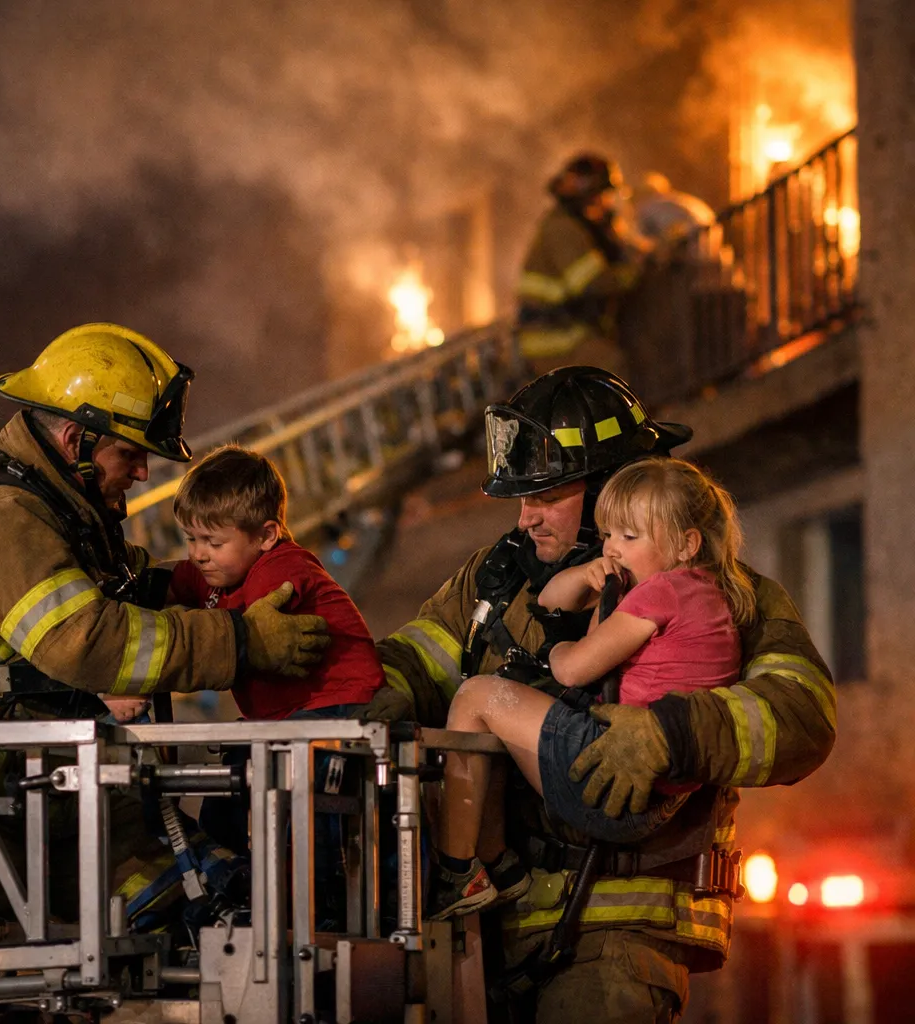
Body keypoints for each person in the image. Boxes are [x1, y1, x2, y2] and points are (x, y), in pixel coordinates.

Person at [360, 365, 835, 1023]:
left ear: (617, 489)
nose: (526, 517)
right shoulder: (496, 585)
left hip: (618, 937)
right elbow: (410, 662)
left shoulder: (719, 591)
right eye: (521, 497)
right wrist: (365, 710)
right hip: (483, 939)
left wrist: (675, 732)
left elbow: (802, 710)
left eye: (548, 494)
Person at [0, 324, 331, 1011]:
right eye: (131, 453)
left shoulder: (51, 510)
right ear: (76, 441)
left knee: (212, 898)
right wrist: (239, 642)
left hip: (19, 798)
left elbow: (124, 592)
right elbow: (88, 641)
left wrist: (218, 583)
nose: (144, 473)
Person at [426, 456, 754, 920]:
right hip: (652, 797)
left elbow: (573, 670)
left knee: (479, 696)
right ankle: (502, 867)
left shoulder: (659, 593)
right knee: (498, 726)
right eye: (607, 536)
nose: (613, 550)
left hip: (608, 778)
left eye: (629, 537)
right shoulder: (708, 593)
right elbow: (549, 598)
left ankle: (456, 874)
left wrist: (557, 648)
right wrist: (586, 574)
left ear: (686, 544)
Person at [167, 443, 385, 928]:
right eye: (190, 538)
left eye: (211, 542)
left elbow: (239, 633)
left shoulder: (282, 570)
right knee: (225, 801)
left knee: (311, 819)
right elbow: (168, 583)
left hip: (335, 713)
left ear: (266, 535)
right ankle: (233, 887)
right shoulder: (222, 569)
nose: (198, 555)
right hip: (281, 723)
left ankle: (321, 912)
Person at [516, 153, 650, 377]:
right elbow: (592, 283)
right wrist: (634, 273)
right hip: (554, 340)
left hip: (567, 331)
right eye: (603, 196)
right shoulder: (563, 230)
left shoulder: (582, 226)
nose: (607, 203)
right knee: (609, 367)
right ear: (589, 196)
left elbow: (625, 250)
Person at [633, 172, 715, 249]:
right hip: (711, 241)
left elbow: (644, 240)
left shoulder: (649, 204)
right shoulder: (681, 200)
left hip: (691, 247)